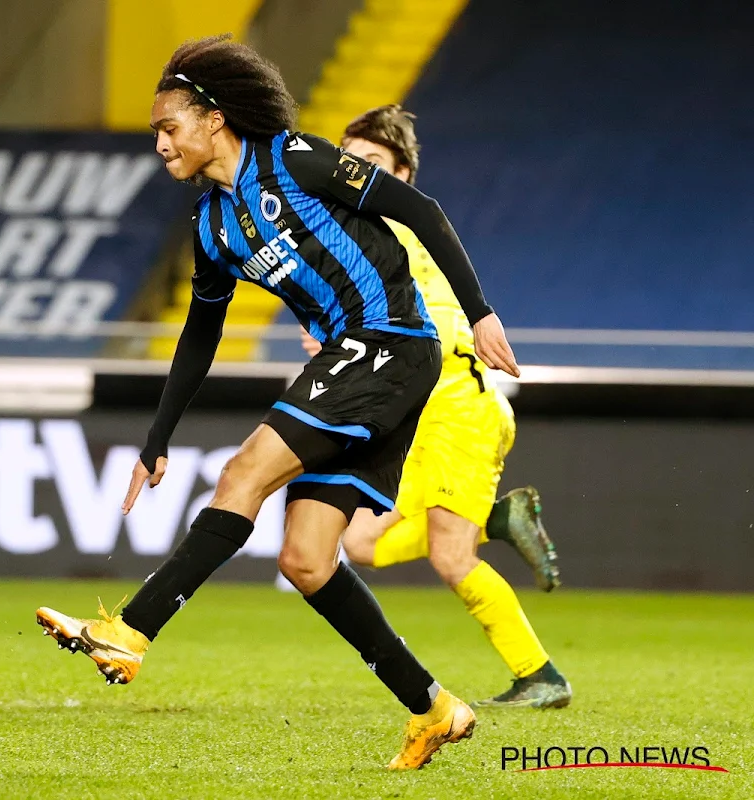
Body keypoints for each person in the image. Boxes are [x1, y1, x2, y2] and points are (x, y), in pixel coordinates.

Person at [35, 34, 519, 770]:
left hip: (388, 341)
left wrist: (480, 312)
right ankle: (434, 708)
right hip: (353, 358)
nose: (160, 145)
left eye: (169, 128)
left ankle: (130, 632)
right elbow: (201, 334)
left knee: (242, 475)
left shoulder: (294, 160)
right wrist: (157, 438)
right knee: (306, 559)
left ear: (214, 118)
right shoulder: (213, 225)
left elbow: (420, 208)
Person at [298, 105, 570, 709]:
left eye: (371, 163)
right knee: (361, 543)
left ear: (401, 175)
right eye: (349, 159)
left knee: (451, 556)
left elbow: (416, 315)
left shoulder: (395, 229)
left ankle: (541, 676)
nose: (354, 171)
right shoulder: (365, 236)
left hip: (456, 408)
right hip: (420, 413)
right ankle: (496, 521)